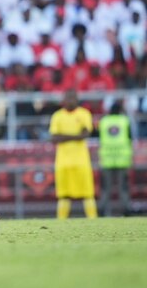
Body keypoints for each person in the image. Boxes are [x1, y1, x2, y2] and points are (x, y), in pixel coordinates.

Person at [48, 89, 98, 219]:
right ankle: (61, 223)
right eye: (68, 98)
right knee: (64, 195)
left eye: (73, 98)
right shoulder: (57, 116)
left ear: (77, 99)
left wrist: (63, 136)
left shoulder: (84, 113)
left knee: (88, 194)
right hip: (63, 163)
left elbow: (85, 134)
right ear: (63, 100)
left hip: (82, 162)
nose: (70, 101)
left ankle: (93, 221)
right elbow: (54, 138)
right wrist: (76, 136)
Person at [98, 101, 133, 217]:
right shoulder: (124, 121)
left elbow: (99, 137)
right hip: (122, 159)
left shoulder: (104, 121)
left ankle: (102, 210)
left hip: (107, 158)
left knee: (105, 188)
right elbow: (130, 138)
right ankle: (126, 210)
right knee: (123, 187)